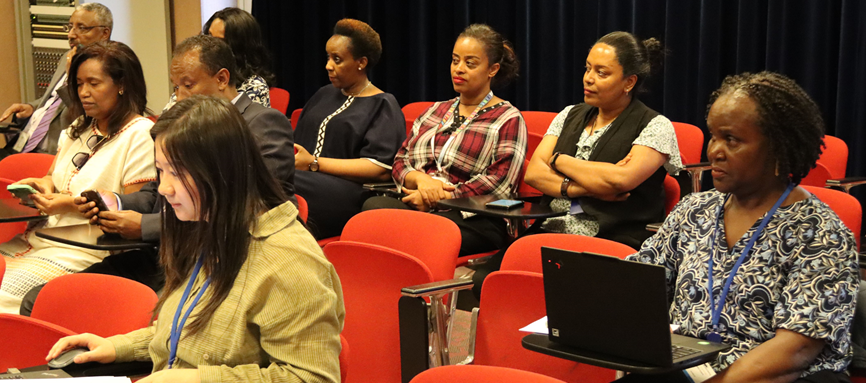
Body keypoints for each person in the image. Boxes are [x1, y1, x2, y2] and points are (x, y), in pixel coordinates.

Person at [0, 95, 344, 383]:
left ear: (221, 172)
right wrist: (118, 347)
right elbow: (198, 330)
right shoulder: (212, 231)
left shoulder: (290, 263)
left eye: (176, 173)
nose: (163, 188)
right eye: (161, 171)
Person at [587, 72, 860, 383]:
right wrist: (586, 300)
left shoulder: (819, 232)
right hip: (692, 369)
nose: (714, 150)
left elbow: (795, 350)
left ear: (777, 147)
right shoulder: (694, 211)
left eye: (732, 139)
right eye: (713, 135)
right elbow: (640, 279)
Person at [18, 35, 296, 315]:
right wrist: (114, 202)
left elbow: (247, 206)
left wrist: (147, 226)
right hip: (161, 255)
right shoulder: (183, 123)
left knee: (147, 317)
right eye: (176, 87)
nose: (179, 97)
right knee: (40, 300)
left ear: (222, 78)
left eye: (188, 85)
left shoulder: (262, 123)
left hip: (222, 258)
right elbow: (155, 191)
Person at [472, 31, 682, 296]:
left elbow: (620, 180)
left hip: (611, 238)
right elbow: (534, 173)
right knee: (485, 280)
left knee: (566, 295)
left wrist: (559, 160)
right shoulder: (569, 114)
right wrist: (584, 188)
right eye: (587, 68)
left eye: (601, 73)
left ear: (629, 82)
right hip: (551, 230)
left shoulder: (656, 126)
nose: (588, 78)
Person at [0, 41, 156, 315]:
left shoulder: (139, 135)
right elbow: (52, 176)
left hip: (86, 249)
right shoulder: (78, 128)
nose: (83, 93)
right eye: (79, 84)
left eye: (93, 83)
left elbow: (130, 210)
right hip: (40, 237)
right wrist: (43, 185)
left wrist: (67, 205)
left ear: (122, 84)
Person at [362, 24, 526, 257]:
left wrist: (441, 197)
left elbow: (500, 183)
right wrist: (420, 180)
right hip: (418, 203)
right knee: (373, 209)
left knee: (424, 235)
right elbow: (401, 160)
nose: (459, 69)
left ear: (492, 69)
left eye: (470, 63)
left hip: (472, 216)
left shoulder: (508, 118)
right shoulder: (435, 111)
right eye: (455, 60)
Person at [0, 2, 113, 183]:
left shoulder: (106, 71)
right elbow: (54, 99)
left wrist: (72, 78)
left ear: (104, 33)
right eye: (70, 27)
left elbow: (83, 118)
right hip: (23, 145)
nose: (71, 34)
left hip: (50, 155)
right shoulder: (67, 58)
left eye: (81, 28)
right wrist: (31, 107)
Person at [292, 18, 406, 239]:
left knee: (280, 179)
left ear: (361, 62)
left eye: (337, 59)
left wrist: (314, 163)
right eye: (328, 57)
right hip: (305, 180)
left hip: (349, 192)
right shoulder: (323, 94)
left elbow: (379, 168)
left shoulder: (383, 104)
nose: (328, 66)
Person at [202, 7, 275, 107]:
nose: (208, 45)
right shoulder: (205, 73)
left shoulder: (255, 86)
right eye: (209, 36)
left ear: (237, 47)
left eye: (218, 41)